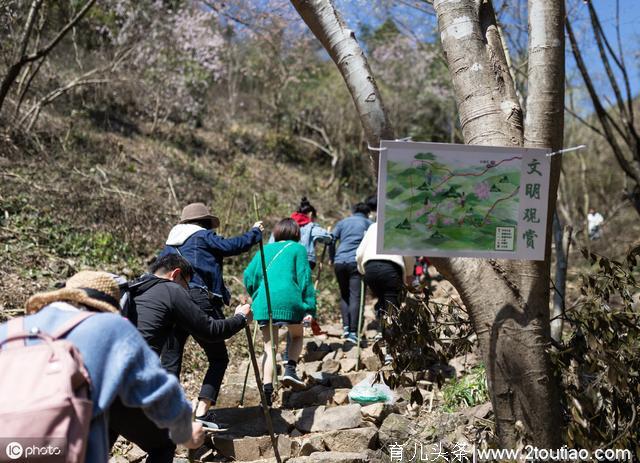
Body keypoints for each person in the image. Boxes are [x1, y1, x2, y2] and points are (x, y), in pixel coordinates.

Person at [0, 271, 204, 463]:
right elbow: (160, 394)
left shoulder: (8, 331)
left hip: (10, 446)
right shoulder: (111, 328)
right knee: (160, 442)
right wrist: (186, 432)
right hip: (69, 452)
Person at [158, 202, 263, 429]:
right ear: (203, 223)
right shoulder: (203, 236)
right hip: (198, 299)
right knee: (218, 357)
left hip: (168, 301)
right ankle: (202, 412)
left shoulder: (167, 246)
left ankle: (168, 415)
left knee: (171, 359)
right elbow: (233, 245)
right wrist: (255, 232)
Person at [244, 218, 316, 406]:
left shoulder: (264, 249)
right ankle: (290, 369)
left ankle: (267, 392)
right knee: (297, 336)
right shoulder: (298, 249)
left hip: (265, 301)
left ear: (276, 233)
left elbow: (248, 276)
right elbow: (304, 279)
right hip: (290, 300)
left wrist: (256, 293)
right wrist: (309, 307)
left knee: (270, 347)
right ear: (296, 234)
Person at [127, 254, 252, 356]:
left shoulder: (135, 286)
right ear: (175, 274)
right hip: (138, 368)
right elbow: (211, 331)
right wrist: (241, 317)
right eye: (186, 285)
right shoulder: (172, 290)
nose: (187, 291)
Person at [356, 222, 414, 340]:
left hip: (370, 268)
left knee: (382, 299)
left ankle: (381, 329)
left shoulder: (373, 226)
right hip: (391, 269)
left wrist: (362, 270)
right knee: (391, 305)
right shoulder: (402, 226)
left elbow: (359, 253)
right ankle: (389, 343)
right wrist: (409, 274)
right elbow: (408, 255)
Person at [330, 202, 372, 344]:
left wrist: (332, 257)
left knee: (344, 294)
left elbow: (331, 239)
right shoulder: (368, 223)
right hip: (356, 262)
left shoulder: (342, 222)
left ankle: (346, 328)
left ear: (353, 211)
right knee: (356, 295)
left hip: (339, 261)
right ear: (367, 213)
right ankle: (353, 332)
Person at [271, 197, 332, 270]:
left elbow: (271, 244)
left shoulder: (283, 225)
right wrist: (329, 238)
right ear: (310, 214)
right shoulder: (310, 226)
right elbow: (326, 237)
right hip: (303, 260)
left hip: (282, 259)